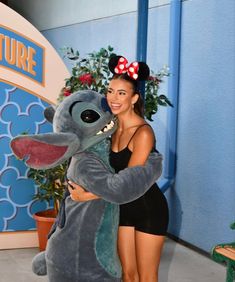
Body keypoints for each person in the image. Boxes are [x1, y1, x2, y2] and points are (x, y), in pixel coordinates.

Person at [68, 55, 169, 282]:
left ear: (134, 98)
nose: (113, 98)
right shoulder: (110, 127)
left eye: (121, 93)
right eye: (110, 91)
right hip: (122, 208)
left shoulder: (143, 133)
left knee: (146, 276)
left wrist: (88, 196)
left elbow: (128, 183)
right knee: (127, 275)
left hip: (148, 209)